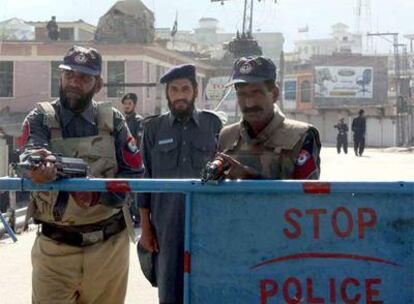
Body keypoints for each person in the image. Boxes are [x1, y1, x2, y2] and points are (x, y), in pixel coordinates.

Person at [19, 45, 143, 304]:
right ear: (60, 77)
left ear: (98, 85)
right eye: (69, 75)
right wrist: (38, 169)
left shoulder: (113, 120)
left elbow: (134, 174)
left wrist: (100, 197)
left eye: (84, 78)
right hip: (55, 248)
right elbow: (28, 153)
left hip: (108, 248)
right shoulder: (40, 118)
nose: (75, 82)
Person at [138, 64, 222, 303]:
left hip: (206, 223)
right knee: (170, 289)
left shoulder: (213, 125)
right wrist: (146, 228)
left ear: (195, 91)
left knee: (205, 287)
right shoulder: (153, 128)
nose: (179, 95)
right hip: (166, 225)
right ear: (167, 94)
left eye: (185, 89)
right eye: (173, 90)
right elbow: (145, 179)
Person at [218, 56, 321, 180]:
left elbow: (305, 196)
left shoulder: (301, 136)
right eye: (242, 94)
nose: (249, 103)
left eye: (257, 93)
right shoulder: (227, 136)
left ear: (275, 94)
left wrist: (249, 178)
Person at [121, 92, 143, 227]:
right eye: (125, 104)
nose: (127, 106)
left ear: (134, 105)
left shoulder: (138, 121)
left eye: (129, 104)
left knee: (135, 191)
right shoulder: (122, 120)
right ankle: (127, 216)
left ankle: (138, 218)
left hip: (135, 161)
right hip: (124, 161)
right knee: (125, 190)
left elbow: (138, 142)